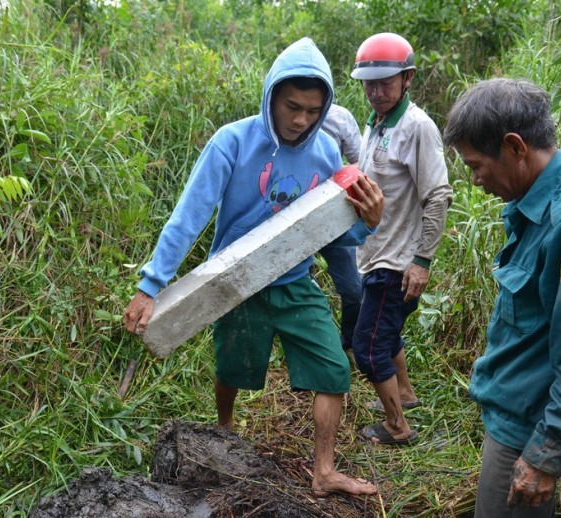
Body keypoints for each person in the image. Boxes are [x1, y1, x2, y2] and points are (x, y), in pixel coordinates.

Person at [122, 37, 384, 497]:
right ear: (271, 96)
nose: (301, 119)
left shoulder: (324, 152)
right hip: (235, 285)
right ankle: (225, 434)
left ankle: (324, 471)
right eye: (292, 106)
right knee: (232, 368)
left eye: (312, 110)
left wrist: (369, 223)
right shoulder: (232, 142)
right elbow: (188, 217)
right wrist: (150, 286)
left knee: (333, 371)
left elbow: (335, 232)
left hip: (295, 281)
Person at [442, 78, 561, 516]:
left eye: (476, 165)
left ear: (515, 147)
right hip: (513, 418)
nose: (475, 180)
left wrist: (546, 455)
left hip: (529, 431)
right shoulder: (535, 202)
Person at [349, 33, 452, 446]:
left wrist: (422, 260)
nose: (375, 92)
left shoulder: (417, 127)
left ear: (407, 78)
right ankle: (404, 394)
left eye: (385, 83)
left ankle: (397, 427)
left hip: (397, 262)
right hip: (373, 252)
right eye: (369, 84)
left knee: (368, 348)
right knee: (384, 333)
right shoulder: (376, 123)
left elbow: (438, 195)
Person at [318, 103, 363, 353]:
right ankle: (311, 349)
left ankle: (350, 344)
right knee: (301, 288)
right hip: (290, 219)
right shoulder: (282, 117)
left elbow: (359, 162)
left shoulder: (339, 117)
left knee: (354, 289)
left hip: (334, 218)